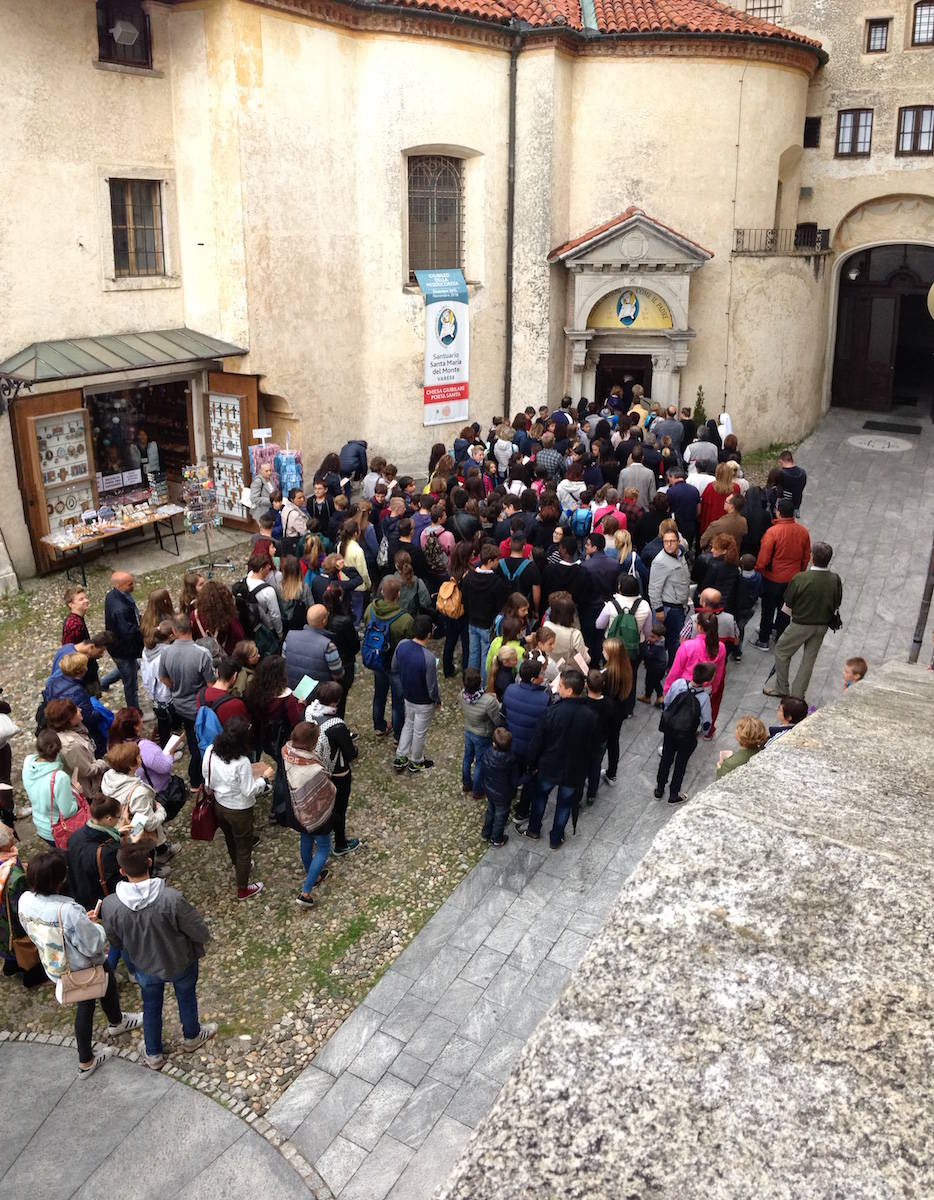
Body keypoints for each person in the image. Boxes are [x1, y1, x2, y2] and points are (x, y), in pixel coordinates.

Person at [20, 848, 144, 1077]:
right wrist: (93, 925)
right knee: (86, 1005)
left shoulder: (25, 900)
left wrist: (80, 925)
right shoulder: (68, 910)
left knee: (107, 980)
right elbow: (94, 944)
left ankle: (116, 1020)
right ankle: (86, 1060)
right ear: (58, 880)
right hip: (80, 967)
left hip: (54, 962)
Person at [101, 841, 216, 1070]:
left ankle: (153, 1053)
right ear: (149, 863)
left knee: (151, 1005)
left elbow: (114, 940)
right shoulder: (171, 898)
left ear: (122, 871)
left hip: (144, 964)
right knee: (186, 996)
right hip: (180, 960)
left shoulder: (110, 905)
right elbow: (198, 930)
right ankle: (192, 1036)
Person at [520, 668, 598, 848]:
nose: (558, 688)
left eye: (561, 686)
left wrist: (531, 763)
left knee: (540, 797)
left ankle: (533, 829)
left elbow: (538, 742)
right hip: (573, 770)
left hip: (549, 766)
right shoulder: (590, 716)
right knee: (564, 804)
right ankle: (556, 838)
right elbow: (592, 748)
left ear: (569, 691)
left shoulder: (552, 712)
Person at [203, 718, 271, 900]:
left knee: (229, 837)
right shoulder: (241, 762)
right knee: (244, 848)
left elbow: (206, 776)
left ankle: (237, 864)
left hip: (219, 804)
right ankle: (243, 888)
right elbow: (249, 791)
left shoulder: (210, 750)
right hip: (239, 810)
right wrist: (263, 780)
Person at [765, 541, 843, 701]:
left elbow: (789, 601)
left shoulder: (801, 578)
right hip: (822, 625)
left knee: (782, 651)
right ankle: (798, 694)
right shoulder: (835, 579)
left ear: (812, 558)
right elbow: (837, 601)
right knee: (809, 659)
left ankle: (781, 688)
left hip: (801, 624)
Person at [281, 721, 334, 907]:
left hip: (297, 809)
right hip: (316, 813)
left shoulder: (286, 752)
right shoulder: (314, 769)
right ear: (312, 742)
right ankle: (306, 892)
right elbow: (328, 790)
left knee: (305, 839)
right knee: (323, 847)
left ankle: (313, 873)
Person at [160, 615, 216, 788]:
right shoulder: (202, 653)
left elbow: (163, 677)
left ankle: (197, 777)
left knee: (192, 738)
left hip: (179, 705)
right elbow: (211, 684)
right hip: (198, 706)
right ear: (191, 626)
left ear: (174, 630)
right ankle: (199, 777)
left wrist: (176, 687)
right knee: (202, 742)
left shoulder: (166, 652)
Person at [305, 681, 360, 856]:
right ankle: (340, 843)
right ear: (336, 701)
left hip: (317, 768)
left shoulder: (309, 711)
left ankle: (321, 835)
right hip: (338, 772)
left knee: (323, 806)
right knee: (339, 809)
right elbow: (350, 754)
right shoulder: (337, 725)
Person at [102, 742, 173, 866]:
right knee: (144, 846)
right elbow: (150, 824)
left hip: (122, 822)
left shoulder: (108, 777)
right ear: (131, 766)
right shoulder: (139, 793)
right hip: (136, 826)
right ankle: (153, 866)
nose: (141, 758)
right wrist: (161, 811)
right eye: (138, 757)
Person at [752, 499, 811, 650]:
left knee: (768, 609)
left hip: (772, 578)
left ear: (779, 512)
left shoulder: (773, 532)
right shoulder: (803, 532)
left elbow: (764, 557)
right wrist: (800, 573)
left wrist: (758, 569)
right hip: (792, 578)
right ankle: (780, 637)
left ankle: (763, 639)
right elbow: (806, 556)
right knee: (785, 610)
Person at [654, 660, 715, 804]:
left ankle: (659, 789)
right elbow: (706, 722)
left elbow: (667, 702)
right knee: (681, 764)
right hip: (687, 736)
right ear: (707, 680)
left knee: (666, 759)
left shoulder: (679, 684)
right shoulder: (704, 698)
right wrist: (701, 733)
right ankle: (673, 794)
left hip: (670, 731)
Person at [392, 615, 441, 774]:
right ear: (429, 634)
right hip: (424, 702)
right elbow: (432, 687)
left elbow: (394, 667)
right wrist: (437, 700)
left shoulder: (402, 645)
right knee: (419, 732)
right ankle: (417, 761)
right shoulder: (429, 658)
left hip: (408, 696)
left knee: (408, 724)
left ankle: (401, 756)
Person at [0, 824, 47, 987]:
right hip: (11, 922)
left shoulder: (7, 858)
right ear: (4, 845)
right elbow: (21, 908)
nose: (13, 832)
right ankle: (31, 975)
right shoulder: (14, 875)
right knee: (21, 944)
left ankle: (10, 965)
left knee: (5, 943)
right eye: (9, 833)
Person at [461, 544, 509, 686]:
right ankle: (482, 686)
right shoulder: (496, 582)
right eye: (497, 560)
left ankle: (470, 683)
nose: (498, 562)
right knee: (485, 657)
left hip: (472, 622)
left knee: (473, 653)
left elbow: (464, 600)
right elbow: (500, 605)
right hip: (487, 625)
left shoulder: (468, 577)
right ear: (490, 561)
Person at [43, 649, 105, 755]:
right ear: (81, 670)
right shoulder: (76, 691)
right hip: (78, 730)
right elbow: (87, 717)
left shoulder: (53, 681)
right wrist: (100, 713)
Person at [43, 697, 107, 800]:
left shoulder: (75, 729)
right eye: (75, 710)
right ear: (68, 719)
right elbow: (86, 771)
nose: (80, 710)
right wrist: (104, 763)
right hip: (88, 791)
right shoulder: (71, 745)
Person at [22, 729, 77, 848]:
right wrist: (76, 791)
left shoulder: (28, 762)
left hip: (40, 824)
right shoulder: (60, 777)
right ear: (59, 750)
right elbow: (68, 811)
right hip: (58, 830)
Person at [243, 655, 304, 758]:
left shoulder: (252, 689)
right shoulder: (288, 699)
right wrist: (301, 705)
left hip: (259, 734)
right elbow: (297, 721)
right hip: (279, 739)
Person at [649, 528, 691, 666]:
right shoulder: (660, 561)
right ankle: (662, 668)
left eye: (672, 541)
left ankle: (672, 666)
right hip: (668, 608)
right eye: (666, 541)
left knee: (675, 641)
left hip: (679, 606)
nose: (668, 544)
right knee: (665, 642)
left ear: (678, 542)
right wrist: (658, 609)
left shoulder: (681, 554)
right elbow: (654, 588)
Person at [102, 571, 143, 710]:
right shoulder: (121, 610)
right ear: (119, 585)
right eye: (130, 584)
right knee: (130, 682)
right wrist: (145, 628)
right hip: (123, 650)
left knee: (131, 667)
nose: (133, 585)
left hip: (117, 646)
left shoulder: (112, 595)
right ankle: (134, 710)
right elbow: (129, 632)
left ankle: (104, 682)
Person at [283, 603, 345, 693]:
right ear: (324, 620)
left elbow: (283, 663)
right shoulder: (328, 646)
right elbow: (338, 674)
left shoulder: (289, 637)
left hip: (292, 692)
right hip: (318, 695)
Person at [459, 666, 500, 799]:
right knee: (480, 763)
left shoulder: (461, 695)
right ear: (480, 681)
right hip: (483, 735)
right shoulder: (488, 701)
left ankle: (466, 784)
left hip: (469, 730)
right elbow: (497, 720)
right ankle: (477, 791)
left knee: (467, 758)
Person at [601, 638, 634, 783]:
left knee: (602, 743)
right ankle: (612, 773)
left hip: (606, 714)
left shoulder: (608, 673)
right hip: (619, 712)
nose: (603, 652)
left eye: (605, 651)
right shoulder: (626, 668)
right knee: (614, 742)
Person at [480, 727, 519, 847]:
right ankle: (496, 839)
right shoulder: (511, 760)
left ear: (494, 743)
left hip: (489, 789)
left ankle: (486, 833)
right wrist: (529, 776)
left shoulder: (487, 753)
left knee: (490, 811)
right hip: (503, 794)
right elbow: (515, 781)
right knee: (500, 816)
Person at [62, 586, 103, 696]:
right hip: (83, 673)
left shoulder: (77, 620)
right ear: (71, 604)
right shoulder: (74, 625)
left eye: (85, 598)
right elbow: (70, 652)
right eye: (81, 599)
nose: (86, 600)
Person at [240, 553, 284, 655]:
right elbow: (275, 614)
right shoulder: (268, 591)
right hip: (266, 626)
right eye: (267, 567)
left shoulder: (248, 576)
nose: (269, 568)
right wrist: (280, 633)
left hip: (250, 624)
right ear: (261, 569)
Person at [141, 619, 176, 743]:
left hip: (154, 691)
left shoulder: (147, 649)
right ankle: (166, 745)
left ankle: (166, 739)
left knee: (162, 719)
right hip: (164, 693)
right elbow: (166, 677)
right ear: (170, 636)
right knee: (165, 721)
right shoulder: (166, 653)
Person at [191, 581, 246, 655]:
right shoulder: (229, 618)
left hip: (203, 657)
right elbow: (240, 637)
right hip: (227, 657)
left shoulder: (195, 616)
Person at [584, 669, 613, 804]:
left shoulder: (583, 702)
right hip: (600, 741)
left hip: (584, 742)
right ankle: (592, 794)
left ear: (587, 685)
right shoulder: (608, 703)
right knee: (595, 766)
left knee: (581, 765)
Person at [779, 449, 807, 513]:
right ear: (792, 460)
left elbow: (779, 490)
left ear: (781, 461)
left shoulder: (782, 474)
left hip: (784, 505)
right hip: (797, 503)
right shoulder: (802, 473)